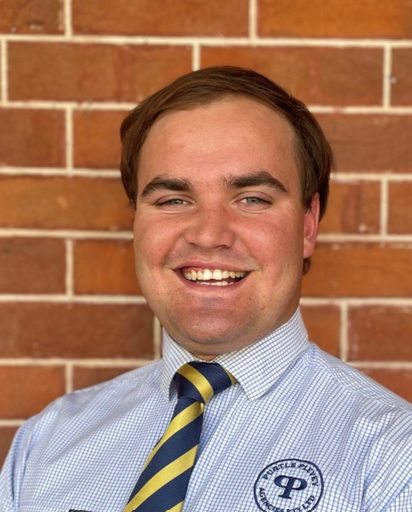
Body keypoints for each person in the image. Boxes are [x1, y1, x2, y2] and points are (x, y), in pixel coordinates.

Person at [1, 66, 411, 512]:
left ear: (307, 224)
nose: (209, 234)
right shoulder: (48, 441)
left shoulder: (392, 459)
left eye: (252, 198)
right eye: (173, 200)